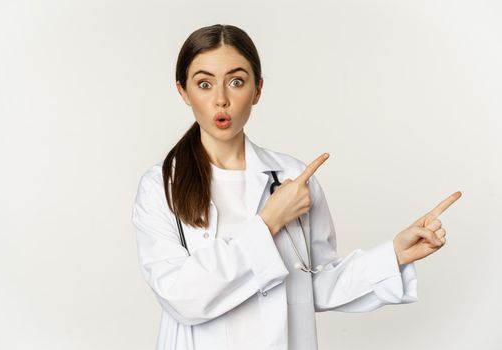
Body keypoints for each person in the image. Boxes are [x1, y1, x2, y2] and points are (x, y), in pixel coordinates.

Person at [131, 23, 462, 350]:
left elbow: (315, 284)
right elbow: (181, 297)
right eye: (204, 83)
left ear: (257, 90)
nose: (221, 99)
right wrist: (269, 222)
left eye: (236, 81)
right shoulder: (161, 187)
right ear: (183, 91)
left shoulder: (292, 177)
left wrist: (393, 255)